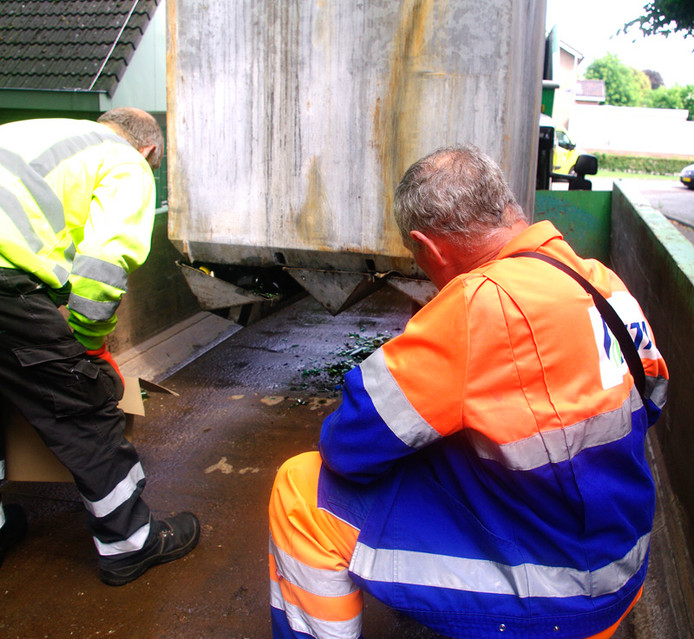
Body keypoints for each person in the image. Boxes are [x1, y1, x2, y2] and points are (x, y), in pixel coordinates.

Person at [268, 145, 669, 638]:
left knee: (300, 489)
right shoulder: (603, 284)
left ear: (428, 248)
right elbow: (651, 399)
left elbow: (348, 448)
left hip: (554, 596)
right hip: (622, 570)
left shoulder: (478, 303)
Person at [0, 107, 199, 585]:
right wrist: (88, 349)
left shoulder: (30, 132)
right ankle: (131, 543)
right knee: (84, 409)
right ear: (149, 150)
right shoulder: (125, 160)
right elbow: (104, 262)